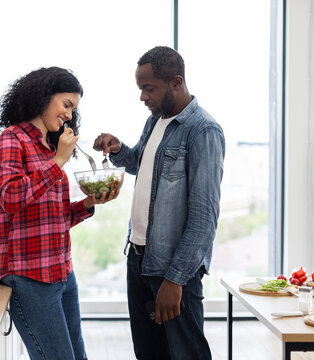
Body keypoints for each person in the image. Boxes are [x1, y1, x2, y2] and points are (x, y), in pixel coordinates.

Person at [93, 46, 225, 359]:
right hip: (138, 260)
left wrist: (175, 278)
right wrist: (118, 148)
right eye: (140, 89)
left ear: (176, 82)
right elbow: (140, 162)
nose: (142, 97)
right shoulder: (156, 121)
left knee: (185, 354)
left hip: (172, 270)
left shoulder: (203, 131)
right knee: (149, 353)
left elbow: (204, 217)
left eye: (148, 88)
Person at [0, 66, 119, 360]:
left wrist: (89, 204)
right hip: (29, 278)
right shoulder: (12, 140)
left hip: (62, 272)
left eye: (74, 109)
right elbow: (10, 197)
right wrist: (60, 160)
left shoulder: (48, 148)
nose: (70, 115)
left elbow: (52, 219)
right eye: (67, 105)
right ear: (44, 96)